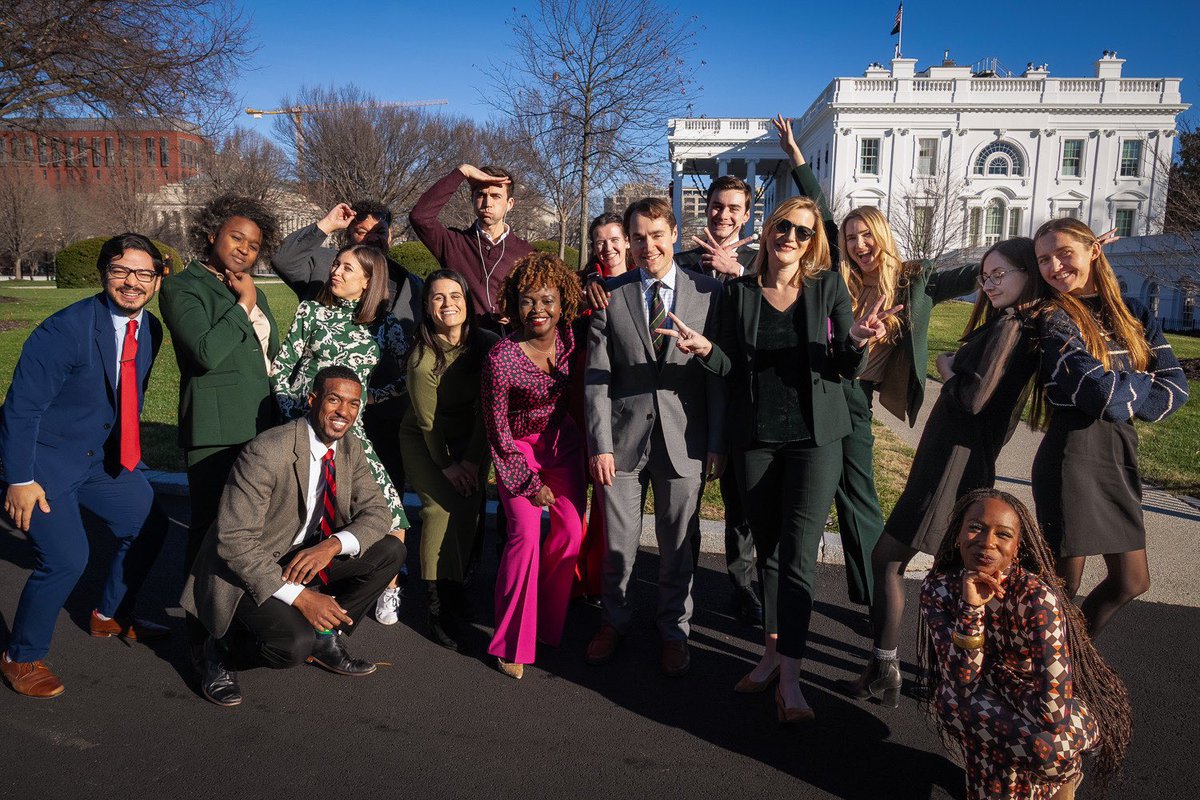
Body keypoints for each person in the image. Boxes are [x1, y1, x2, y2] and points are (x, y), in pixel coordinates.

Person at [656, 197, 889, 720]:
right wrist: (704, 350)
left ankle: (790, 679)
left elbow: (844, 365)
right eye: (784, 227)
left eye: (803, 233)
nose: (791, 238)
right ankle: (768, 656)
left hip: (816, 440)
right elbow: (731, 366)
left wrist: (855, 339)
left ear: (813, 243)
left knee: (799, 556)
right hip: (756, 439)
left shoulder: (827, 288)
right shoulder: (739, 293)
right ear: (768, 232)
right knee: (767, 551)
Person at [775, 114, 980, 623]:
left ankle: (871, 594)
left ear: (882, 237)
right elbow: (821, 216)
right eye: (850, 238)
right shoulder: (839, 277)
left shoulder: (915, 281)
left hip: (856, 396)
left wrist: (1044, 258)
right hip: (822, 385)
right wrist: (797, 157)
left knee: (858, 494)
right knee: (822, 491)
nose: (858, 245)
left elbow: (975, 273)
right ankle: (824, 589)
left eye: (866, 236)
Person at [843, 238, 1050, 706]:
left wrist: (946, 366)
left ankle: (895, 668)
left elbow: (975, 397)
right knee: (946, 569)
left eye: (1002, 275)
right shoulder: (1007, 321)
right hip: (953, 457)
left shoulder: (1012, 325)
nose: (991, 283)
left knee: (891, 560)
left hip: (954, 462)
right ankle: (936, 671)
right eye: (986, 275)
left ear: (1026, 276)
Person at [0, 233, 171, 698]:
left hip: (101, 459)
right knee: (66, 558)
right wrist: (19, 480)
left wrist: (129, 452)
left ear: (157, 280)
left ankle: (108, 614)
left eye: (142, 274)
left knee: (150, 523)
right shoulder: (65, 330)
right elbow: (21, 409)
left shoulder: (150, 329)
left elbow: (125, 397)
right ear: (103, 274)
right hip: (45, 464)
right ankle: (22, 655)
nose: (131, 282)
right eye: (120, 271)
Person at [182, 366, 405, 707]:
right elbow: (234, 542)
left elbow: (379, 512)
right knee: (292, 646)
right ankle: (219, 648)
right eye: (334, 400)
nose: (344, 412)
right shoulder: (268, 451)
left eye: (353, 404)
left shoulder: (349, 448)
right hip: (243, 569)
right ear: (313, 400)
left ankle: (325, 635)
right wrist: (302, 599)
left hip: (299, 555)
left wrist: (332, 545)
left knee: (390, 551)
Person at [583, 197, 726, 678]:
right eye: (638, 237)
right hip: (622, 442)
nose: (648, 246)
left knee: (676, 547)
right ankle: (613, 621)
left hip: (685, 439)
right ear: (628, 240)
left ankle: (673, 630)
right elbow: (598, 377)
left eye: (657, 235)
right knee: (618, 546)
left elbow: (718, 375)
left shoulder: (707, 293)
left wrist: (716, 442)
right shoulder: (611, 293)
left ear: (674, 235)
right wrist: (600, 442)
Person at [918, 489, 1132, 800]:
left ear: (1017, 549)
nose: (987, 541)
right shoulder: (938, 590)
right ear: (957, 535)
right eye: (976, 527)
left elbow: (1054, 714)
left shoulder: (1035, 598)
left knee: (1050, 750)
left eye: (1002, 534)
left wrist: (1001, 680)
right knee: (953, 704)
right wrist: (972, 609)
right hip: (981, 704)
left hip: (1052, 718)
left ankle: (1066, 781)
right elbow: (960, 683)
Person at [1030, 218, 1189, 637]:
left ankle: (1070, 660)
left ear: (1093, 251)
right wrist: (1140, 383)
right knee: (1063, 587)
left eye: (1065, 253)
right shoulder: (1054, 318)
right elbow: (1097, 393)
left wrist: (1123, 391)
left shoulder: (1134, 314)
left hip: (1120, 455)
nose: (1055, 266)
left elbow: (1175, 392)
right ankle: (1039, 672)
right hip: (1072, 457)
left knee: (1132, 581)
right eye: (1044, 259)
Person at [270, 244, 411, 625]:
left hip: (353, 434)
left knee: (393, 517)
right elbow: (282, 369)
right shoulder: (311, 311)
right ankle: (294, 596)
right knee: (306, 515)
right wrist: (293, 418)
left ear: (368, 282)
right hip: (304, 428)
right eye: (336, 264)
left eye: (347, 268)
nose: (336, 271)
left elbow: (406, 377)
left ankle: (386, 592)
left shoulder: (385, 326)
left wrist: (366, 400)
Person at [271, 199, 424, 534]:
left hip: (372, 422)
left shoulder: (408, 286)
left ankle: (387, 581)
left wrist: (373, 397)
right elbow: (282, 370)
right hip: (308, 422)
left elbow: (412, 365)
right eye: (361, 231)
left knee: (385, 508)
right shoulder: (319, 291)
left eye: (379, 232)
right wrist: (327, 224)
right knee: (310, 513)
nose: (371, 238)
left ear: (391, 236)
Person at [159, 194, 282, 574]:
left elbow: (266, 353)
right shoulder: (182, 287)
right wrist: (244, 304)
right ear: (212, 235)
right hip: (215, 427)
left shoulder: (247, 286)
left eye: (254, 245)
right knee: (211, 527)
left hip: (262, 421)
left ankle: (238, 616)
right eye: (236, 238)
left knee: (253, 528)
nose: (245, 249)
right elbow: (205, 351)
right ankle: (199, 625)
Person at [481, 253, 586, 679]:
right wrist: (527, 483)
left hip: (564, 445)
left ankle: (544, 620)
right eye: (527, 301)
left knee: (571, 531)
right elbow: (497, 432)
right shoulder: (501, 359)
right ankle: (510, 642)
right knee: (524, 535)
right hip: (517, 449)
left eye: (547, 300)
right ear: (514, 303)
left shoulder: (571, 339)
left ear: (563, 303)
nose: (537, 310)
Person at [672, 176, 763, 625]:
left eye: (733, 208)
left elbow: (773, 315)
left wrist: (738, 275)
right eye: (716, 206)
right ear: (704, 207)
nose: (723, 216)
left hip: (740, 393)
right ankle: (680, 579)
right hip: (689, 397)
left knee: (740, 501)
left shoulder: (760, 264)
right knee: (687, 494)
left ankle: (742, 584)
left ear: (747, 215)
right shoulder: (682, 262)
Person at [399, 270, 498, 650]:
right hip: (427, 441)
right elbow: (426, 422)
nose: (447, 304)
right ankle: (436, 607)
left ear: (467, 301)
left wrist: (472, 462)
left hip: (472, 435)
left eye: (454, 295)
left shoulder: (486, 344)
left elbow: (488, 408)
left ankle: (456, 589)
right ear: (426, 306)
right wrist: (449, 466)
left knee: (469, 507)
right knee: (440, 511)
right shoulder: (423, 358)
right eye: (438, 297)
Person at [573, 213, 632, 604]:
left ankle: (602, 581)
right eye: (599, 241)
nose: (607, 248)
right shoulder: (583, 286)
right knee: (579, 496)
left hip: (628, 404)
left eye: (614, 240)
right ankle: (575, 578)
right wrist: (587, 285)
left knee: (611, 500)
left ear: (628, 241)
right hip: (584, 397)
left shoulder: (645, 279)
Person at [409, 164, 535, 334]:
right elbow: (420, 217)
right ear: (472, 199)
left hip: (509, 348)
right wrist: (463, 172)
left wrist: (516, 313)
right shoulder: (454, 243)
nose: (488, 203)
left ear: (509, 203)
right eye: (481, 195)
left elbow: (536, 300)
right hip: (462, 344)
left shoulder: (526, 252)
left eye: (496, 196)